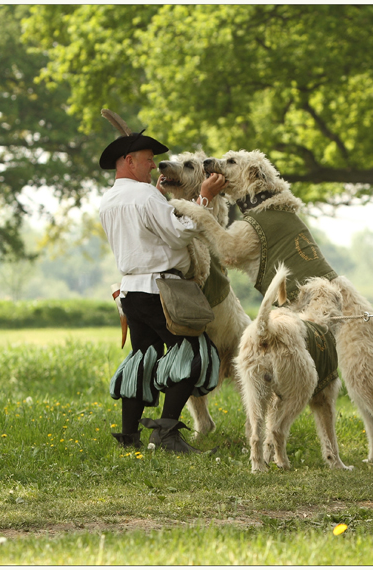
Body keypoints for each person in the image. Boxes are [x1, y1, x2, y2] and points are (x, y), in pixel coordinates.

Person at [97, 130, 227, 453]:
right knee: (196, 354)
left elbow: (146, 231)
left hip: (131, 291)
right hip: (161, 289)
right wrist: (205, 198)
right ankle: (166, 435)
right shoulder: (146, 197)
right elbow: (180, 234)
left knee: (143, 356)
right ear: (128, 161)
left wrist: (157, 201)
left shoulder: (109, 201)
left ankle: (130, 437)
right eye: (147, 160)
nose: (154, 166)